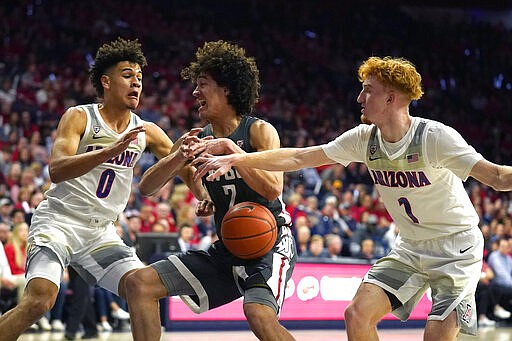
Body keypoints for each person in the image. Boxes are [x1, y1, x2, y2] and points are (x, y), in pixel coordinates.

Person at [191, 56, 512, 340]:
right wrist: (238, 158)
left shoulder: (434, 138)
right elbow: (298, 158)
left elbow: (497, 177)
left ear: (391, 97)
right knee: (356, 316)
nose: (359, 97)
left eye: (368, 90)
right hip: (412, 245)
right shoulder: (364, 139)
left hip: (456, 246)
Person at [0, 37, 208, 340]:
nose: (136, 83)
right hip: (59, 222)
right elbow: (56, 169)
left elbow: (183, 164)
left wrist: (202, 196)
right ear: (106, 82)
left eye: (139, 77)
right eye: (127, 75)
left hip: (101, 232)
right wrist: (109, 151)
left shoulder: (146, 130)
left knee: (143, 288)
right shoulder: (80, 116)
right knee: (40, 299)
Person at [125, 40, 297, 341]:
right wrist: (180, 158)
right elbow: (147, 187)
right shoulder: (196, 140)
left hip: (269, 244)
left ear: (227, 88)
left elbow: (273, 189)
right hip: (229, 248)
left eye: (202, 84)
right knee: (139, 283)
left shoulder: (258, 131)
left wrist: (232, 151)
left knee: (258, 313)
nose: (195, 93)